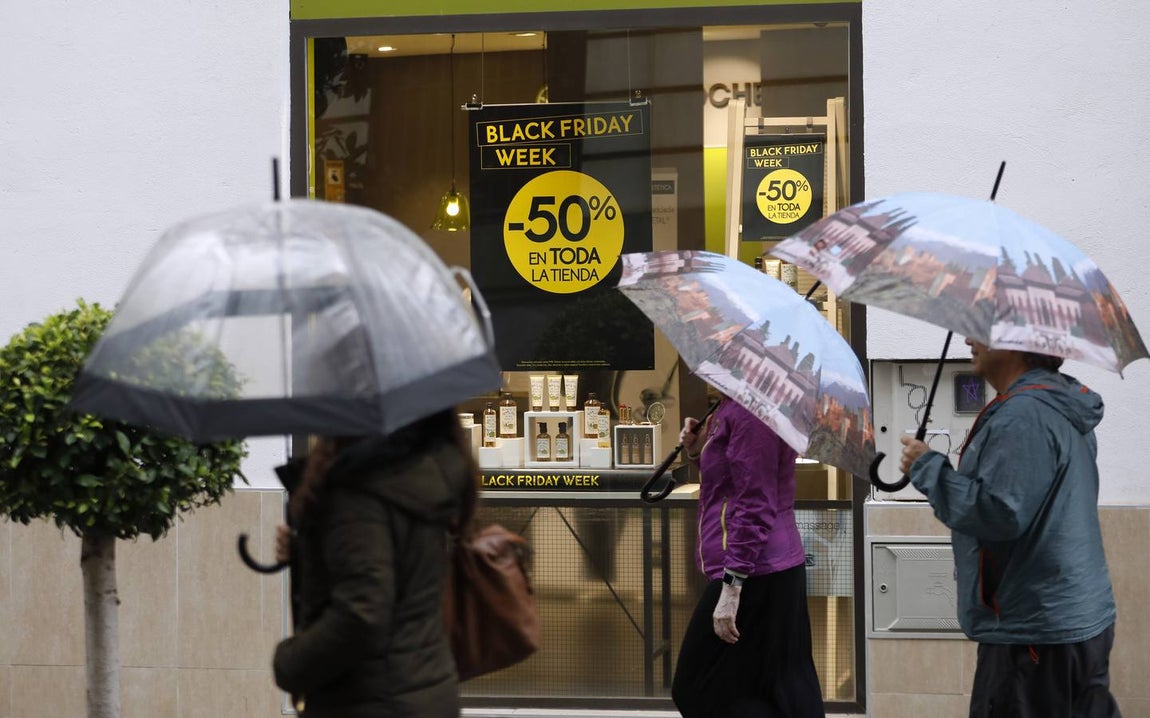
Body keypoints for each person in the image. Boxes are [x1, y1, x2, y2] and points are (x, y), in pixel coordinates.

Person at [899, 339, 1122, 718]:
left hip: (1035, 631)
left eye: (981, 329)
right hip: (1070, 621)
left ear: (1017, 343)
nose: (969, 339)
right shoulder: (1053, 403)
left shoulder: (1024, 415)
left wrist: (927, 468)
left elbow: (1000, 513)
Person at [271, 409, 478, 718]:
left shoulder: (360, 490)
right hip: (425, 691)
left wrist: (289, 664)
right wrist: (308, 549)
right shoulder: (423, 473)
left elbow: (362, 612)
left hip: (372, 700)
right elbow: (400, 566)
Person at [670, 395, 825, 718]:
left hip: (758, 571)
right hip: (763, 568)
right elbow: (730, 479)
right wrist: (698, 448)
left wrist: (732, 586)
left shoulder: (753, 413)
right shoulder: (735, 406)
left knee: (697, 685)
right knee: (771, 686)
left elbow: (755, 502)